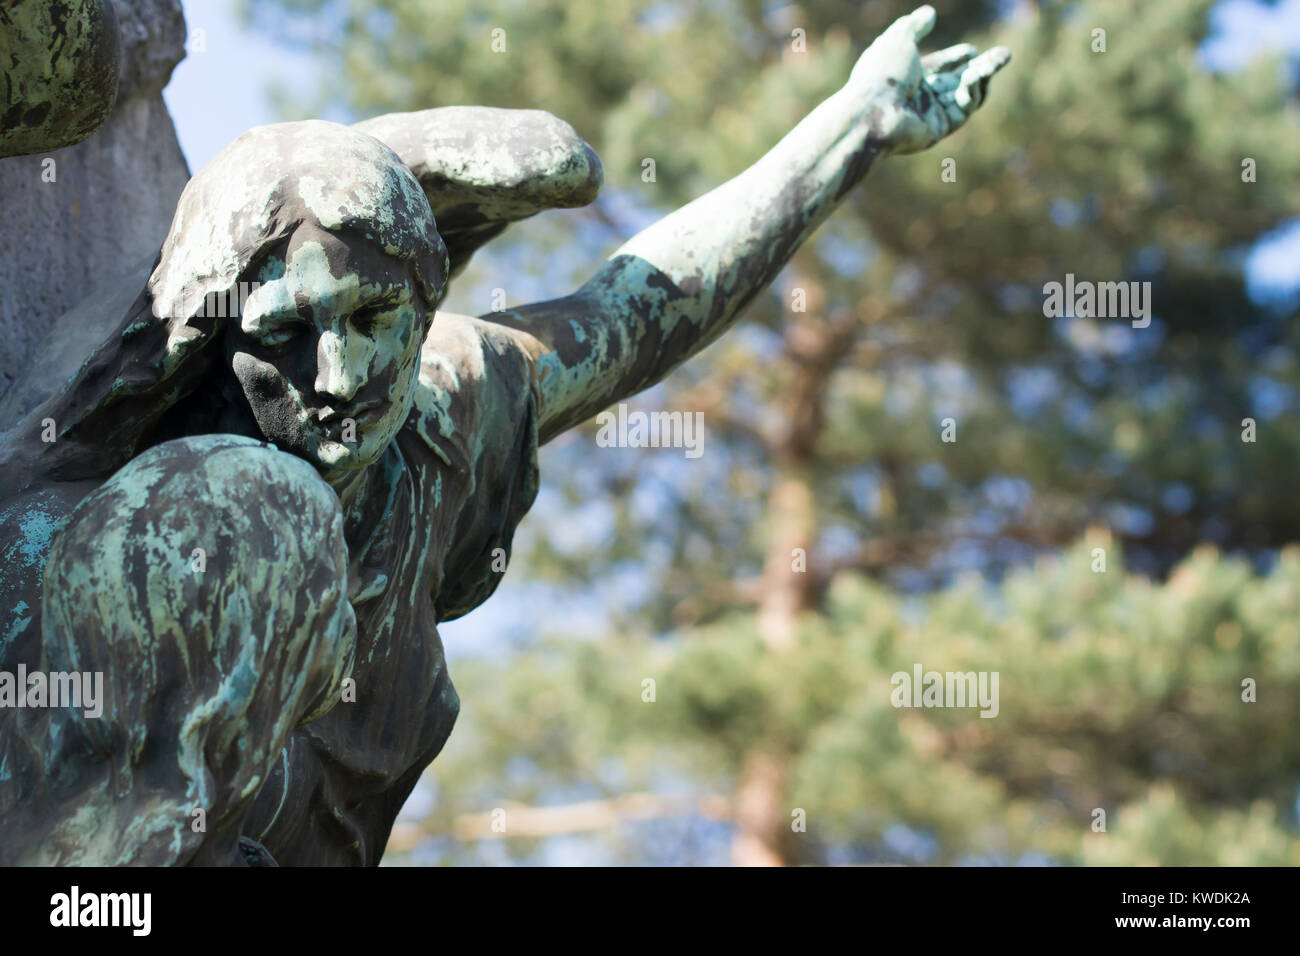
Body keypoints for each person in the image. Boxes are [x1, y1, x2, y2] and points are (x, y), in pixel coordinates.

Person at [0, 6, 1009, 864]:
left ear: (424, 307)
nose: (337, 379)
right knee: (259, 510)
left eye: (371, 320)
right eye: (283, 337)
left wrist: (855, 126)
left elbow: (645, 305)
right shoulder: (121, 506)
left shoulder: (446, 413)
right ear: (212, 338)